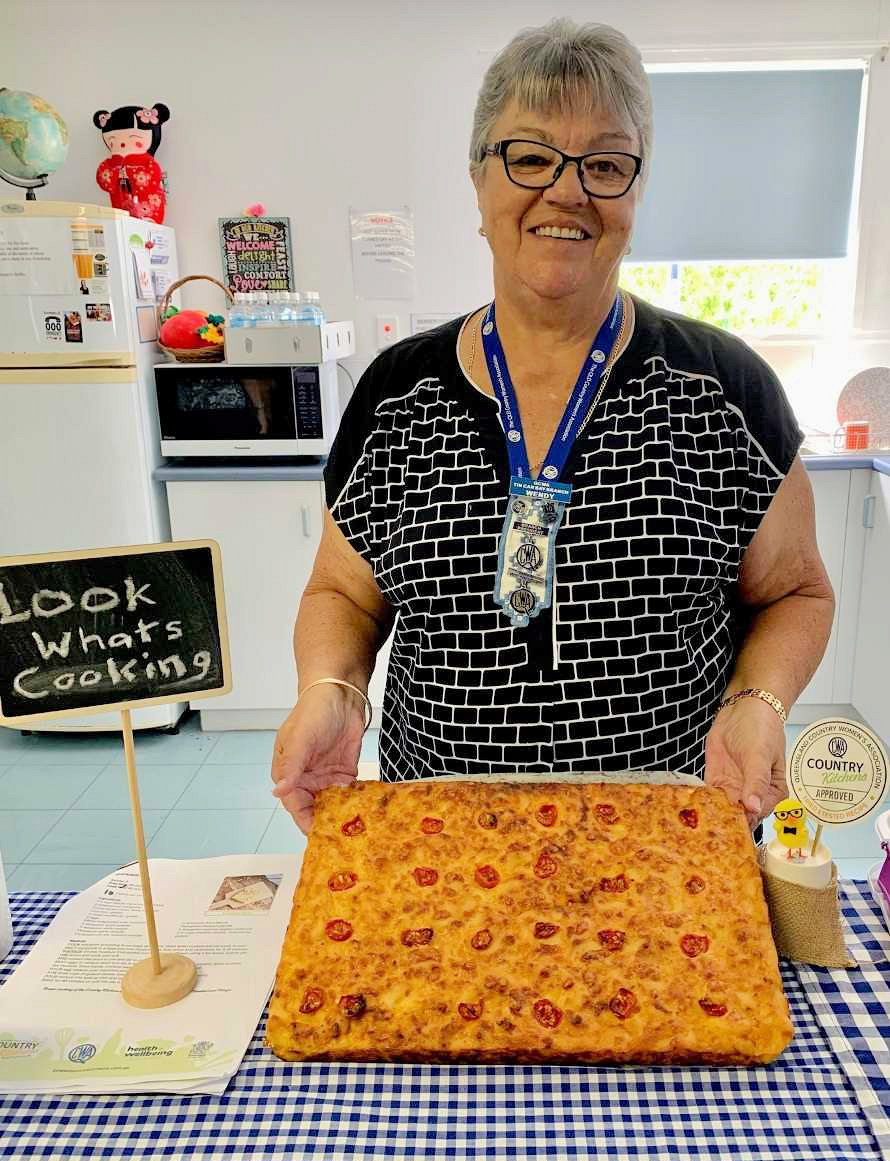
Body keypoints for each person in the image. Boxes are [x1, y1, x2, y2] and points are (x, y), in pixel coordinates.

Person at [271, 18, 834, 836]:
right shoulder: (397, 397)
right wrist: (330, 686)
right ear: (478, 180)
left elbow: (797, 592)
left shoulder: (726, 390)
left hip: (666, 840)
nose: (566, 191)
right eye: (530, 157)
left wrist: (759, 699)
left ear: (636, 194)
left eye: (605, 164)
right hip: (442, 845)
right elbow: (342, 592)